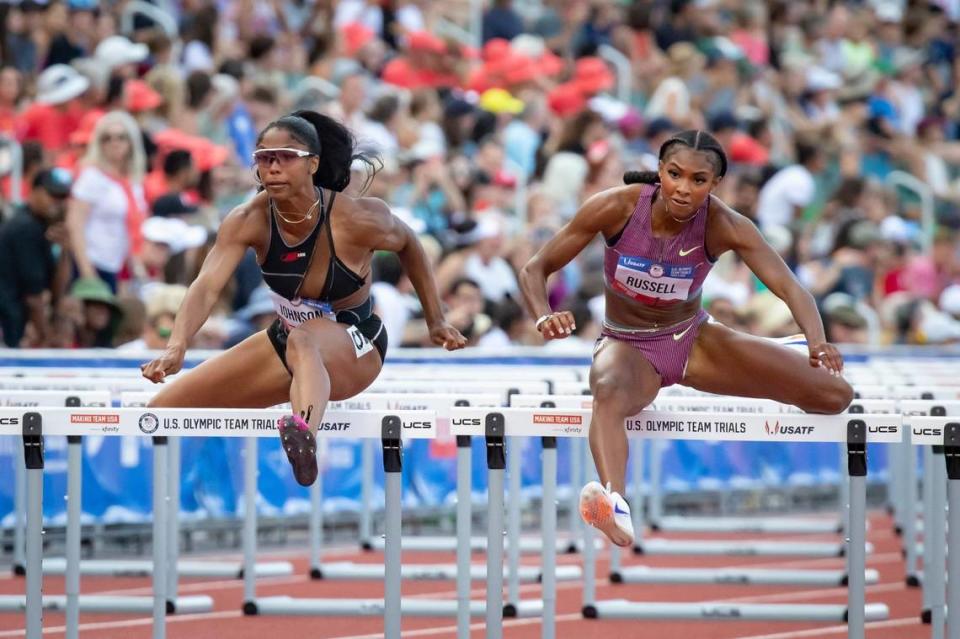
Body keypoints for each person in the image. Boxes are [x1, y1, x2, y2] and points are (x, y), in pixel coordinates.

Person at [518, 130, 854, 548]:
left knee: (834, 396)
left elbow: (790, 286)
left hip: (694, 340)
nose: (683, 188)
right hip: (627, 346)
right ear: (659, 172)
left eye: (698, 180)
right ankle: (615, 503)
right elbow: (535, 268)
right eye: (674, 174)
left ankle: (788, 352)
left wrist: (817, 340)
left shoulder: (725, 224)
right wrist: (543, 316)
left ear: (714, 185)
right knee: (608, 391)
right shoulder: (616, 207)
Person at [141, 110, 467, 486]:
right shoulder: (248, 218)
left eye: (285, 157)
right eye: (264, 158)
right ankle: (183, 496)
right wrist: (177, 346)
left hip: (356, 343)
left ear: (313, 163)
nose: (273, 167)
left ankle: (303, 437)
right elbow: (206, 285)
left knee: (305, 336)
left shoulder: (357, 218)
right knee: (162, 411)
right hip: (287, 342)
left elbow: (410, 244)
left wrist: (436, 319)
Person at [0, 168, 74, 347]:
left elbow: (58, 291)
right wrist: (46, 338)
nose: (57, 202)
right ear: (34, 192)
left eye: (62, 197)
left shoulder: (40, 226)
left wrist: (65, 250)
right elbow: (34, 298)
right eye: (52, 195)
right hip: (12, 328)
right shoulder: (26, 227)